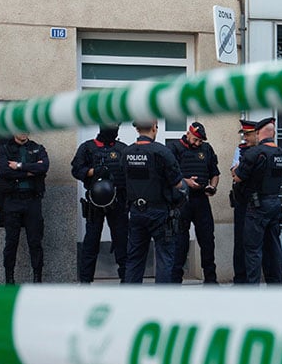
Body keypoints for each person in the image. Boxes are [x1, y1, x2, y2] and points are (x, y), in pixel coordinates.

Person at [122, 119, 184, 284]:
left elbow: (122, 181)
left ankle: (130, 301)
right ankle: (161, 303)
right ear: (154, 128)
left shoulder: (126, 153)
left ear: (137, 129)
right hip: (160, 213)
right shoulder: (161, 152)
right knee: (164, 258)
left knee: (134, 259)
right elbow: (178, 183)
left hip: (136, 212)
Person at [71, 124, 129, 283]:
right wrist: (93, 172)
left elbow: (130, 174)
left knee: (122, 240)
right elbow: (76, 169)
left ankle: (126, 279)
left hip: (118, 202)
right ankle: (85, 280)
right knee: (91, 242)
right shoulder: (87, 148)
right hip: (95, 203)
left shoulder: (122, 149)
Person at [235, 116, 282, 284]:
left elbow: (238, 177)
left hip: (257, 206)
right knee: (274, 248)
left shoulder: (254, 153)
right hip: (274, 203)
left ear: (258, 133)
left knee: (252, 249)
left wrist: (237, 170)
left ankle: (252, 289)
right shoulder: (281, 153)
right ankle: (276, 285)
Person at [168, 122, 220, 284]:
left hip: (201, 200)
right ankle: (176, 280)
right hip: (181, 201)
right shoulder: (174, 148)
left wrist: (212, 186)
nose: (198, 144)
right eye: (196, 140)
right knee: (180, 242)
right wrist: (186, 182)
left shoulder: (206, 149)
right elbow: (169, 175)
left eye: (200, 141)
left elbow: (215, 173)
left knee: (207, 240)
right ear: (188, 133)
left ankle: (210, 280)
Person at [0, 132, 49, 284]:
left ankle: (37, 279)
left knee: (35, 242)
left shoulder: (37, 148)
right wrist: (30, 172)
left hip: (32, 201)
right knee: (11, 242)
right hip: (12, 200)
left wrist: (19, 167)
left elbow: (44, 167)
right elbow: (4, 171)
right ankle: (9, 279)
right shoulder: (4, 149)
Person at [229, 119, 257, 284]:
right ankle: (240, 278)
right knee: (240, 241)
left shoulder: (263, 150)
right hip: (242, 201)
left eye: (248, 134)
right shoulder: (240, 150)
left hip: (258, 202)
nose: (245, 137)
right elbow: (234, 172)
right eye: (244, 134)